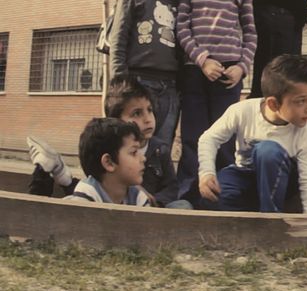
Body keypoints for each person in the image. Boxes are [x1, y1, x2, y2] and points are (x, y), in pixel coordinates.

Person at [176, 0, 258, 205]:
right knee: (193, 137)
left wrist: (241, 67)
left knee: (224, 140)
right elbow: (182, 27)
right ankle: (187, 197)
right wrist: (202, 60)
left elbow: (250, 31)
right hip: (196, 72)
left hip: (228, 75)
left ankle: (223, 198)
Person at [27, 76, 190, 208]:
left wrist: (155, 200)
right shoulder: (103, 153)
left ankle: (62, 174)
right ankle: (47, 171)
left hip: (144, 204)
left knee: (182, 206)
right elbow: (98, 183)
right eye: (137, 113)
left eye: (150, 110)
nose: (148, 119)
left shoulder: (159, 149)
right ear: (116, 121)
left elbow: (171, 187)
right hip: (107, 199)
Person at [198, 54, 307, 213]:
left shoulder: (305, 132)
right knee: (213, 195)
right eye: (301, 101)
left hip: (283, 182)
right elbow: (209, 139)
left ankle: (270, 219)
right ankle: (250, 217)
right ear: (273, 104)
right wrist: (206, 173)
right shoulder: (242, 110)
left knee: (268, 151)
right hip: (247, 175)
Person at [110, 0, 181, 152]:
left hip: (170, 87)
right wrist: (121, 85)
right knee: (134, 146)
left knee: (161, 149)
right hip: (138, 83)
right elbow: (118, 40)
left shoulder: (177, 0)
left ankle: (157, 187)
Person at [67, 117, 151, 206]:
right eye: (134, 152)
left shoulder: (138, 197)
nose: (143, 158)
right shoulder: (86, 195)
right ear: (109, 163)